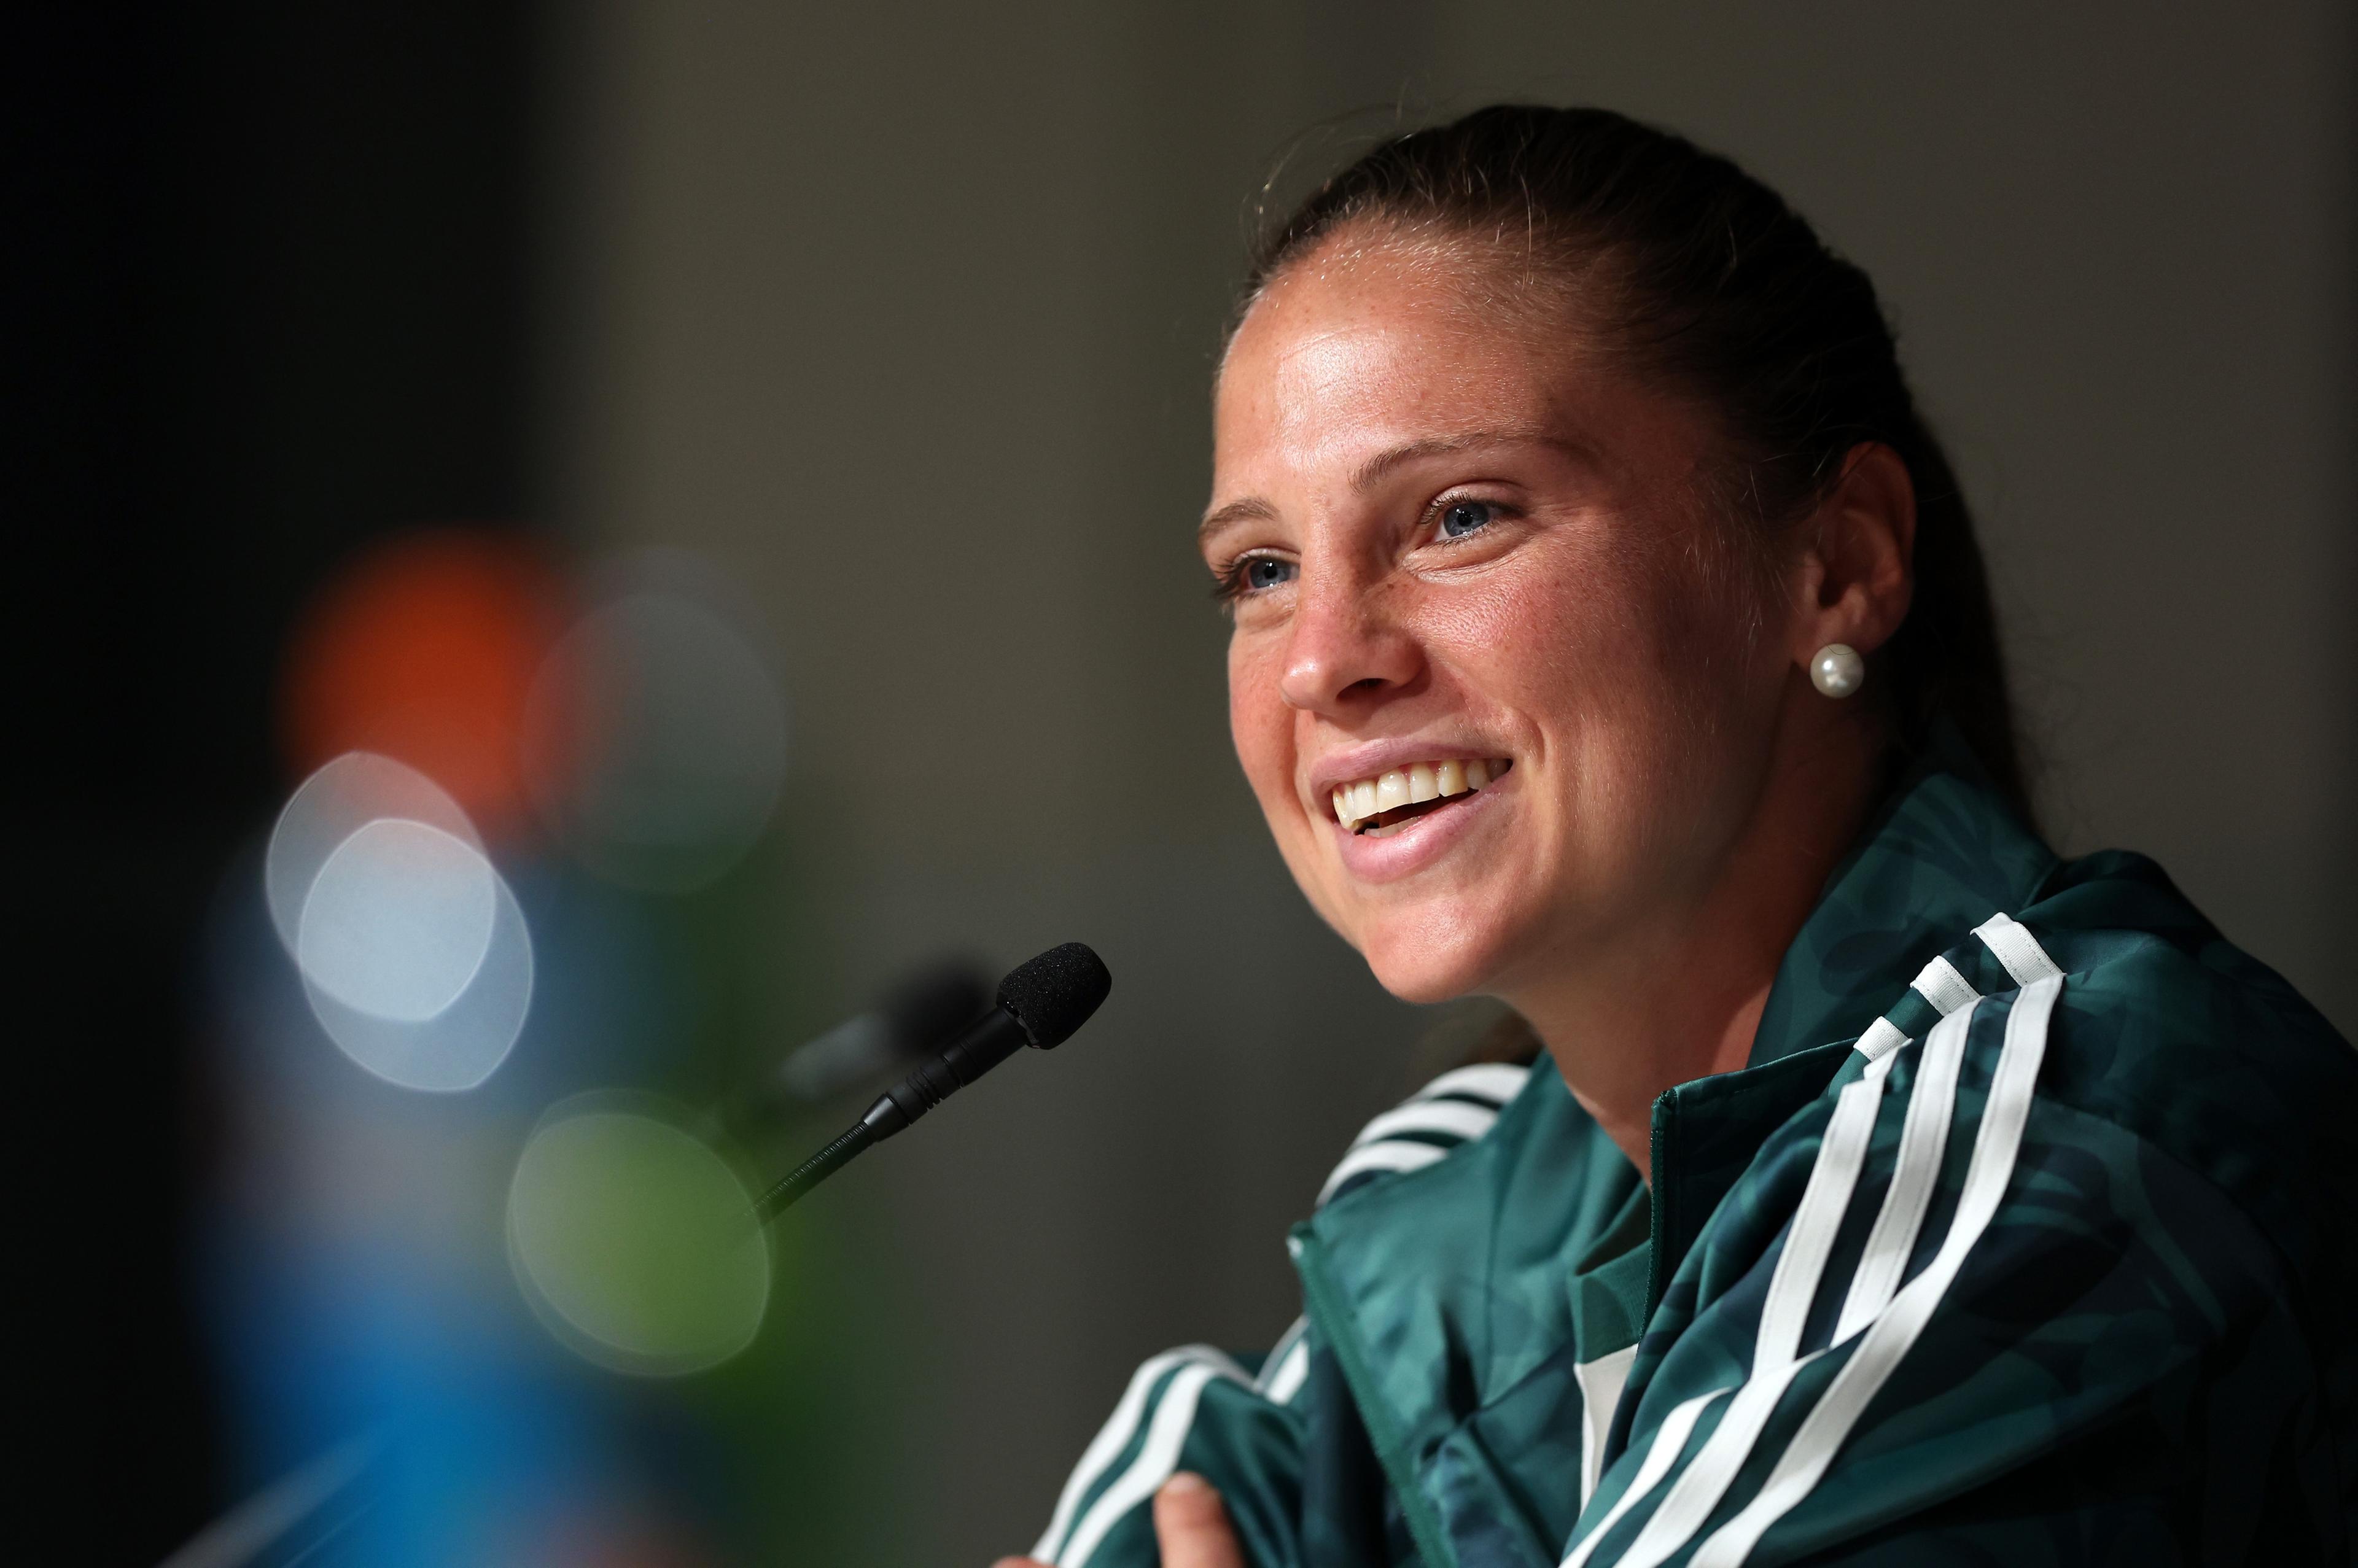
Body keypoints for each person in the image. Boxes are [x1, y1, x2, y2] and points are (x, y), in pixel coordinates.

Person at [1002, 106, 2358, 1568]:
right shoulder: (1464, 1187)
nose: (1326, 660)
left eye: (1460, 515)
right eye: (1260, 569)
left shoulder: (2043, 1126)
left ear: (1834, 564)